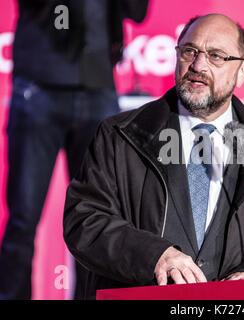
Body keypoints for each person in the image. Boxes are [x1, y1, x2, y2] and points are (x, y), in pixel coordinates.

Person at [63, 13, 244, 299]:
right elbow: (85, 221)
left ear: (242, 71)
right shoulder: (119, 136)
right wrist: (154, 256)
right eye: (190, 51)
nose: (198, 65)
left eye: (216, 56)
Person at [0, 0, 149, 299]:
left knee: (97, 218)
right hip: (39, 85)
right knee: (23, 218)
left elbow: (137, 11)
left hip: (97, 85)